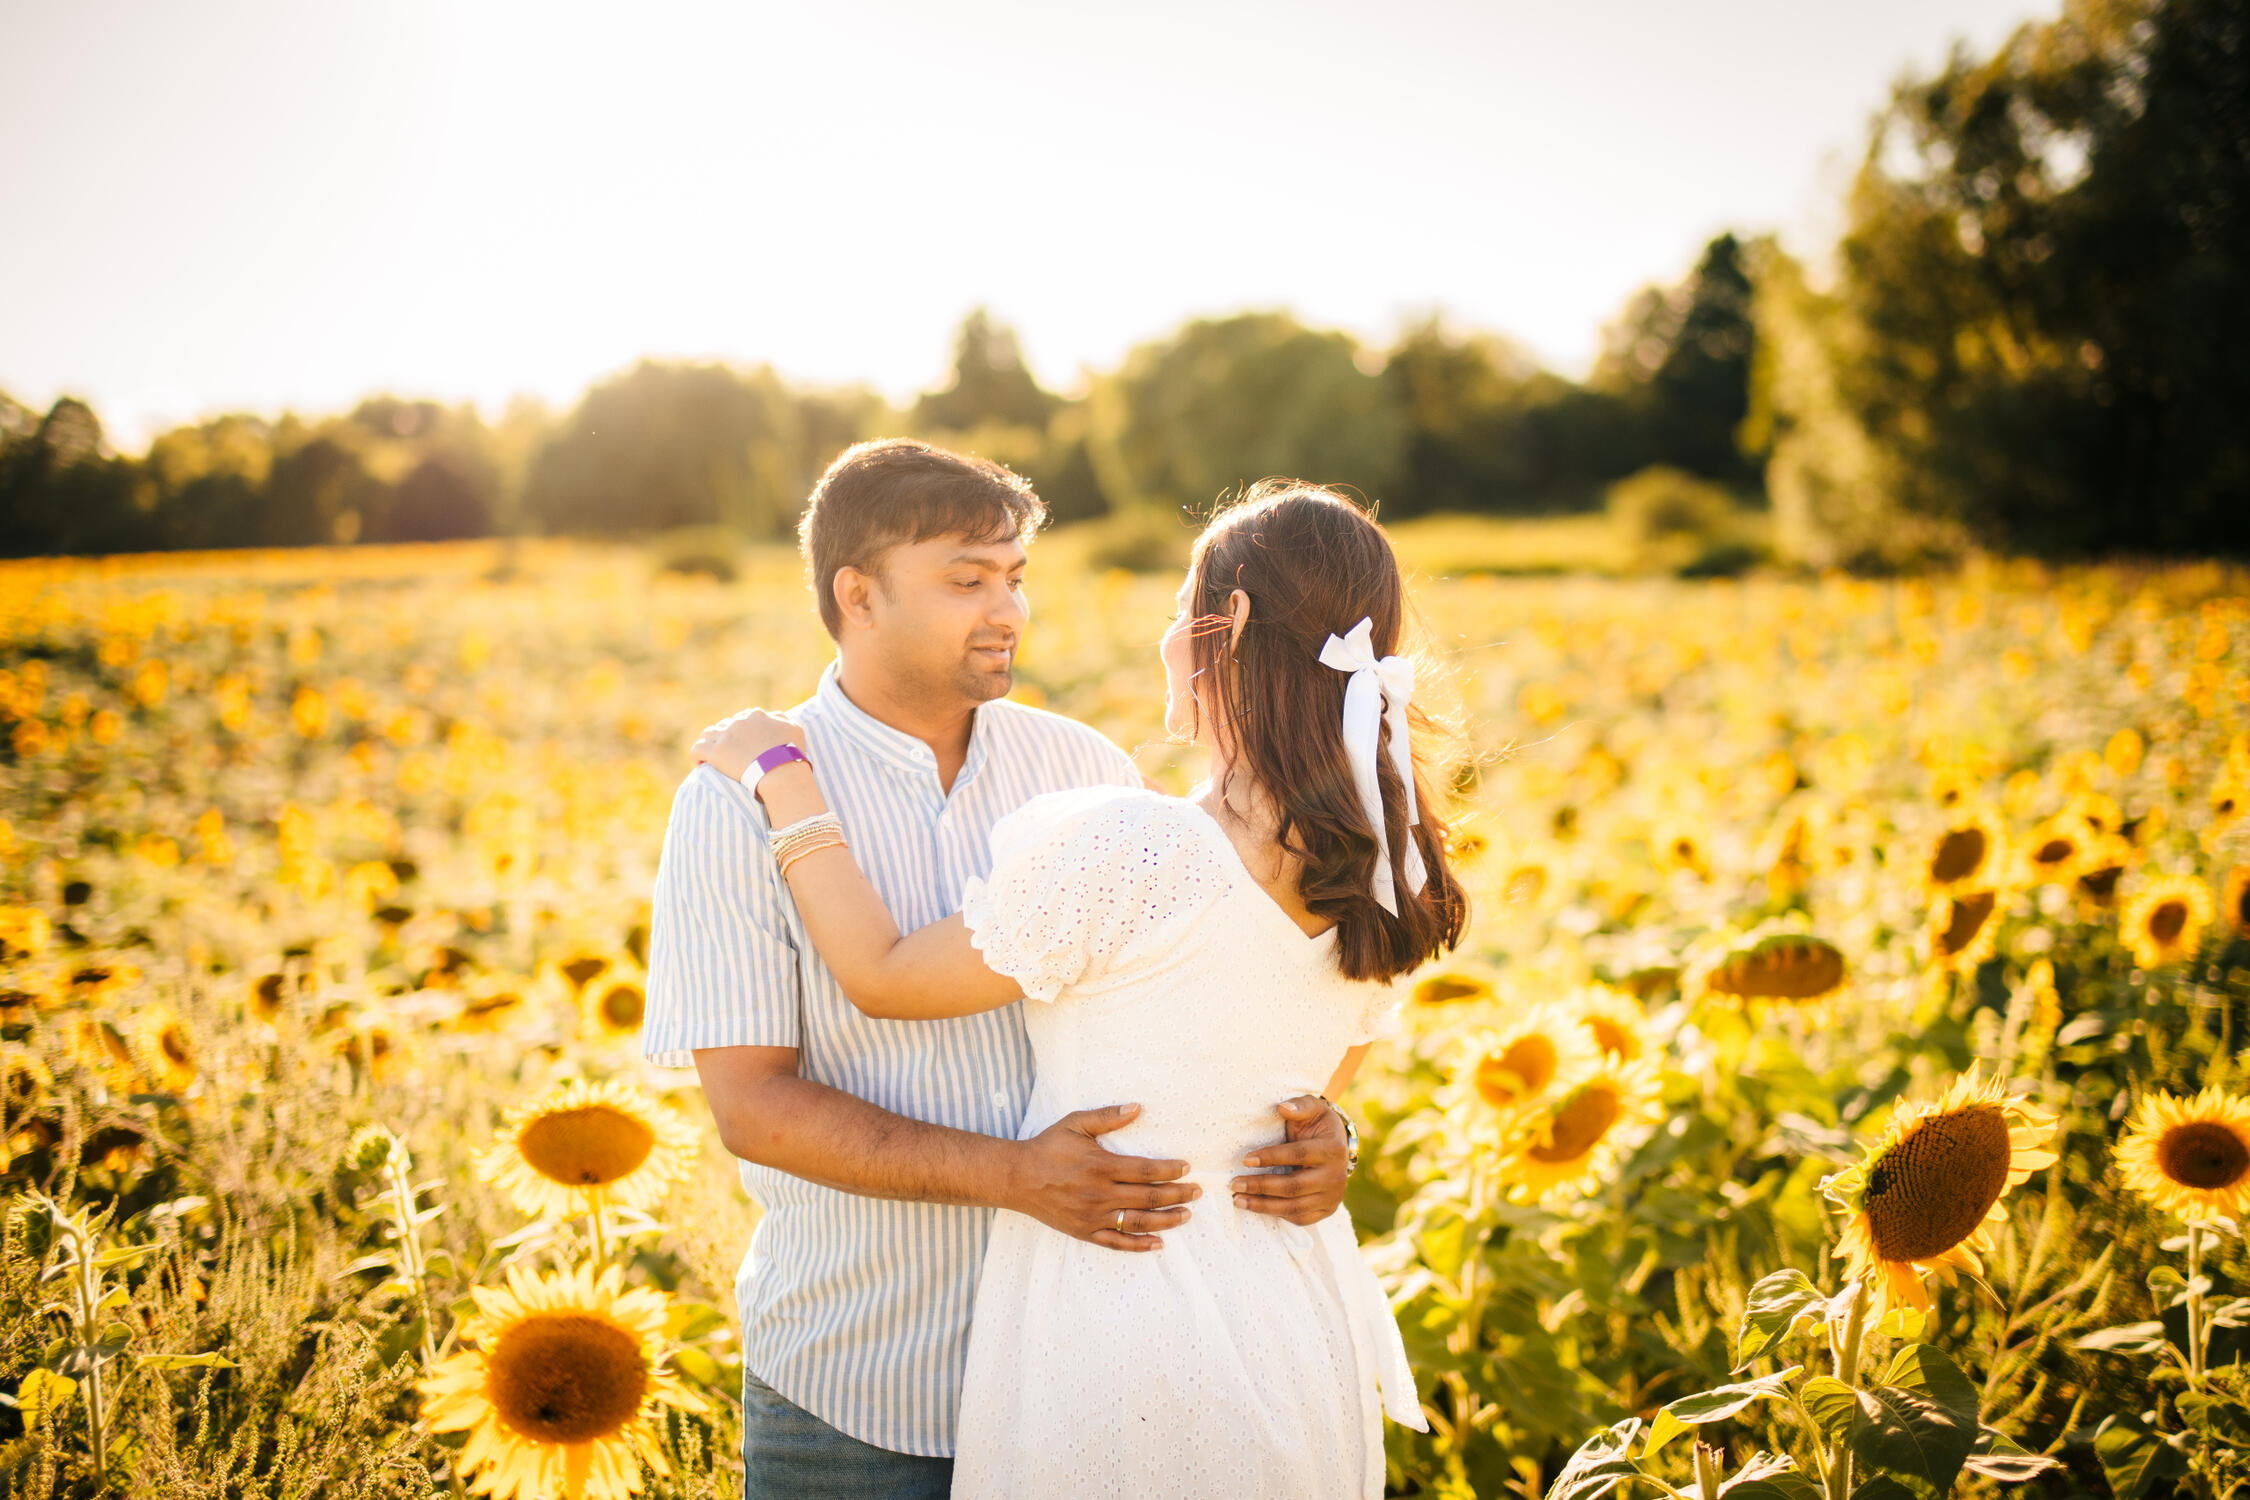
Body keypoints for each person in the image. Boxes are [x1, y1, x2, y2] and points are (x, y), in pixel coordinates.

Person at [692, 479, 1464, 1499]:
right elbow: (1309, 1085)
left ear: (1219, 625)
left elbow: (881, 976)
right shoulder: (1385, 871)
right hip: (1289, 1325)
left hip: (1119, 1326)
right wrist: (1335, 1139)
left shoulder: (1133, 844)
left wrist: (785, 774)